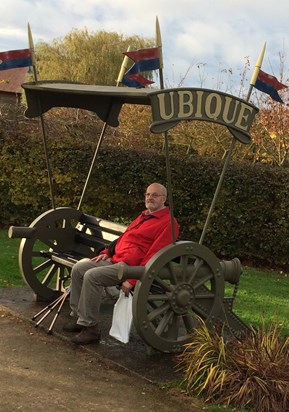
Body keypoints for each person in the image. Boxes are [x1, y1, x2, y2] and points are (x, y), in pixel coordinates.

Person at [63, 182, 179, 345]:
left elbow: (155, 254)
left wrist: (133, 278)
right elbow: (125, 238)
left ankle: (91, 329)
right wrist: (106, 253)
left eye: (155, 195)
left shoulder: (168, 223)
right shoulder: (143, 216)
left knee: (92, 276)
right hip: (116, 258)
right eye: (147, 194)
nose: (150, 198)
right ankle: (80, 318)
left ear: (164, 199)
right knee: (79, 268)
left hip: (130, 267)